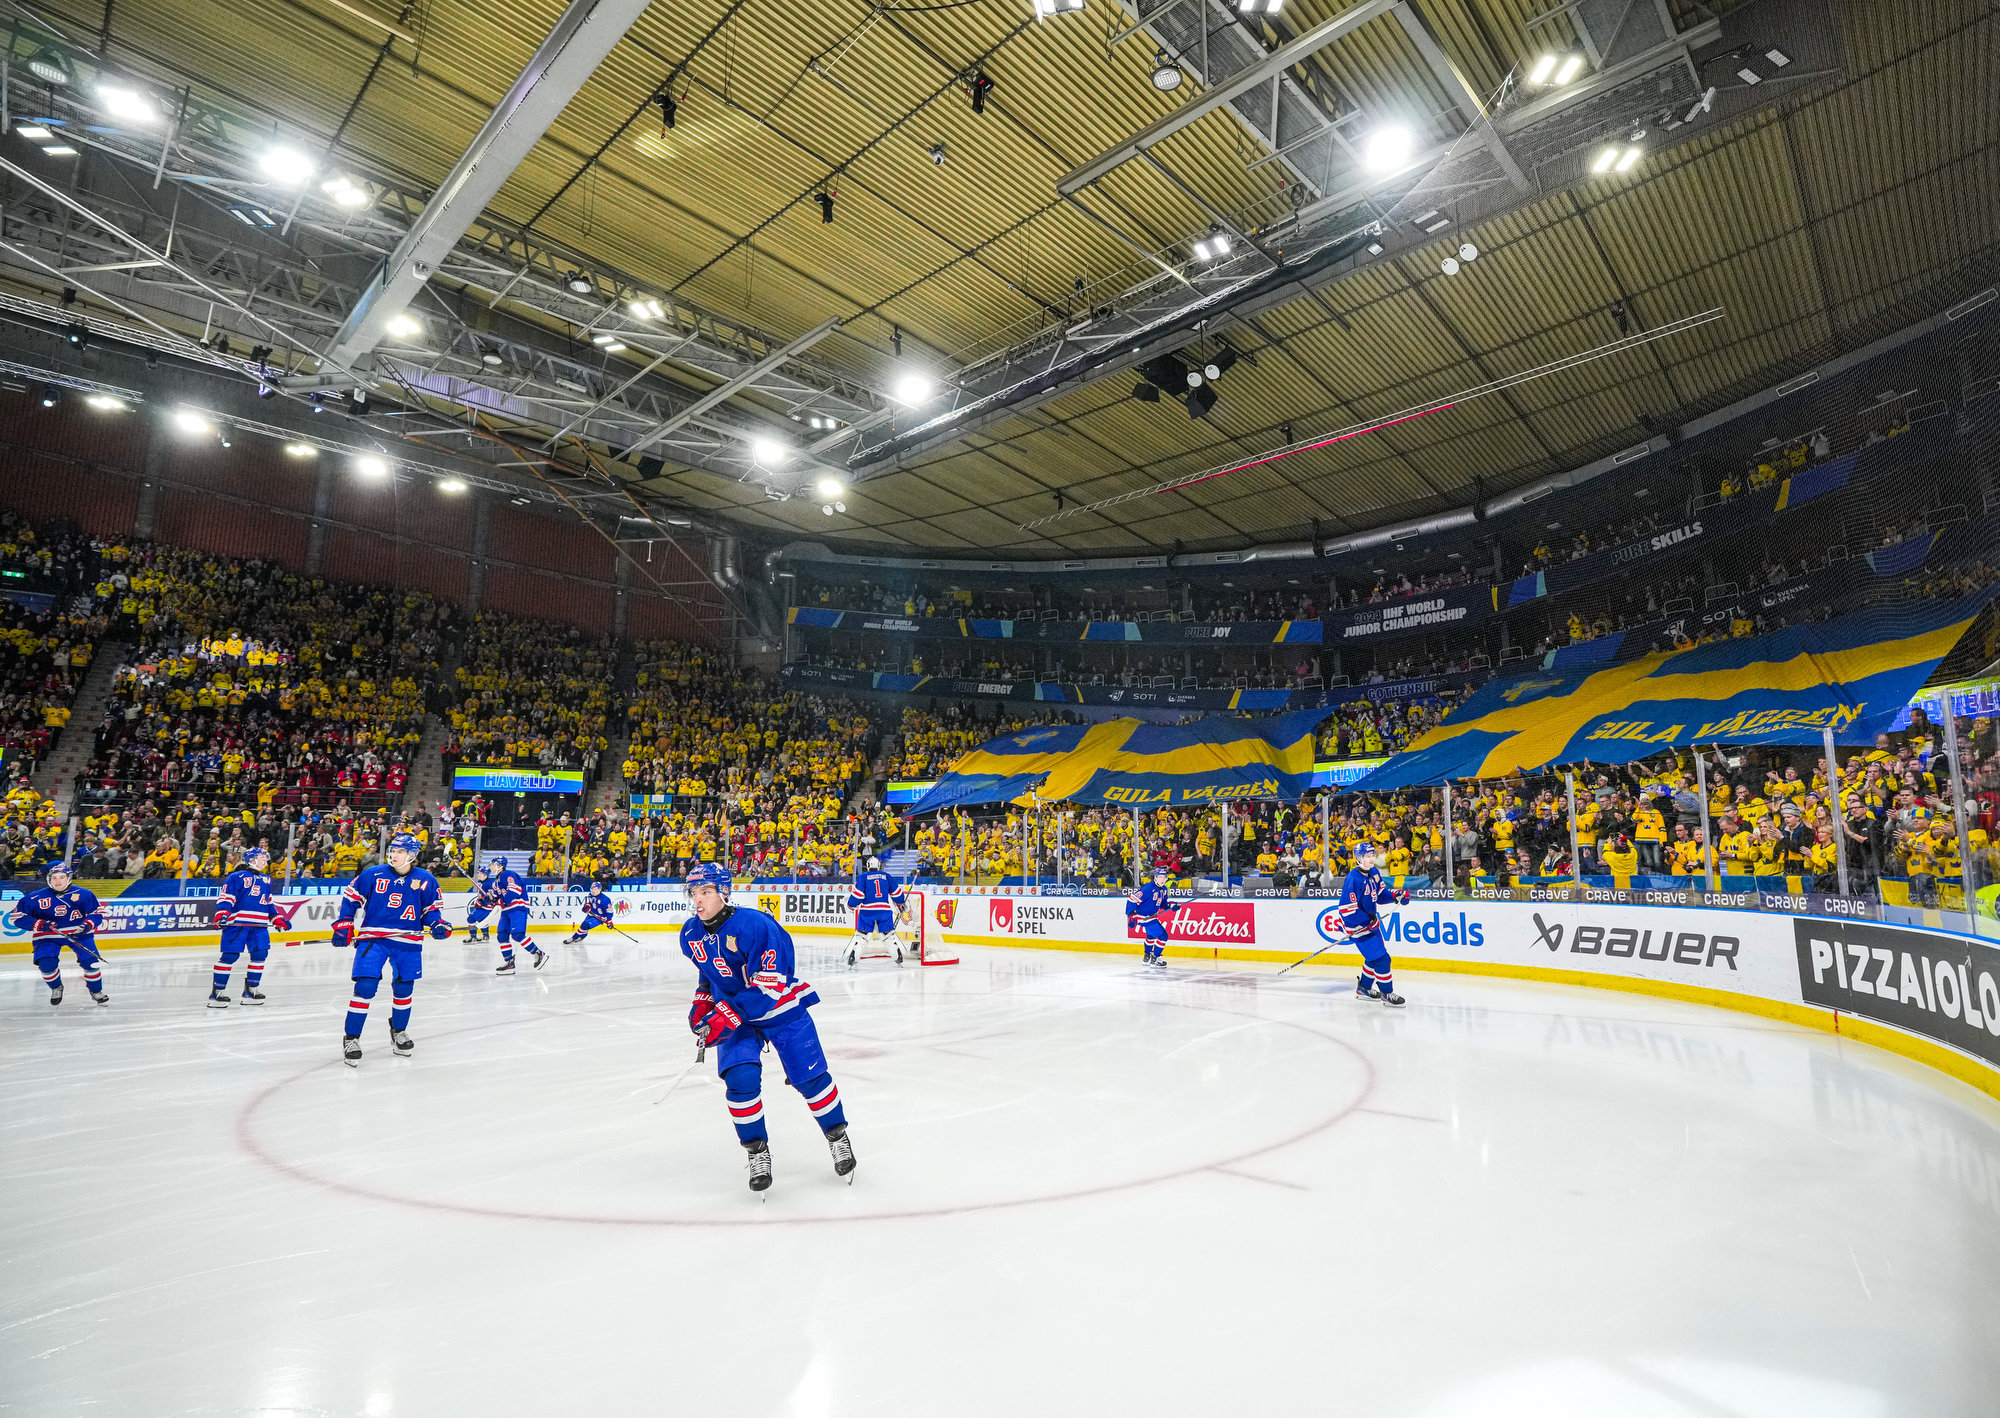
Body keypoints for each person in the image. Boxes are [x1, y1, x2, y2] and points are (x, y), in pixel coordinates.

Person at [679, 863, 855, 1193]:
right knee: (740, 1081)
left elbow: (771, 983)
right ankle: (757, 1152)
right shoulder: (690, 932)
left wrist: (728, 1012)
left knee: (812, 1080)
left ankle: (837, 1136)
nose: (698, 900)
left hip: (779, 1009)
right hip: (736, 1014)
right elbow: (709, 973)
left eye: (706, 892)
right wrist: (703, 1000)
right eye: (694, 893)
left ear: (724, 893)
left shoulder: (757, 925)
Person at [333, 832, 449, 1067]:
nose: (393, 854)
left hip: (407, 942)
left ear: (412, 855)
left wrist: (437, 924)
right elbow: (351, 898)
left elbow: (431, 912)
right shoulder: (373, 874)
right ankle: (352, 1038)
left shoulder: (426, 880)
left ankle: (399, 1031)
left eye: (400, 851)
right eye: (393, 850)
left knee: (404, 988)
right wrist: (344, 923)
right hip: (373, 939)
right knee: (365, 987)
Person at [11, 861, 107, 1006]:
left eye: (62, 877)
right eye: (54, 877)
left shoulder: (84, 894)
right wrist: (40, 924)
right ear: (49, 879)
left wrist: (88, 925)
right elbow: (16, 917)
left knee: (91, 963)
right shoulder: (34, 898)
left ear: (68, 878)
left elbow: (97, 913)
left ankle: (96, 991)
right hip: (47, 936)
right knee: (46, 964)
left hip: (79, 933)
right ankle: (56, 987)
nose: (58, 881)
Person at [1335, 840, 1410, 1006]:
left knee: (1373, 958)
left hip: (1371, 924)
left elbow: (1381, 895)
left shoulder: (1374, 872)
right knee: (1383, 960)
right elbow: (1346, 910)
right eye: (1367, 856)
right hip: (1358, 927)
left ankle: (1364, 988)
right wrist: (1366, 922)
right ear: (1358, 858)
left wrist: (1396, 896)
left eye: (1372, 855)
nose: (1371, 858)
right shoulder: (1353, 879)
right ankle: (1387, 993)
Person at [207, 843, 275, 1008]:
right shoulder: (236, 877)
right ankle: (217, 993)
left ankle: (251, 990)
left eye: (266, 857)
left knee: (260, 955)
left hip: (259, 925)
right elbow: (227, 897)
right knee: (230, 956)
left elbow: (268, 902)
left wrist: (277, 917)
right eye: (262, 857)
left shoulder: (266, 879)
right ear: (251, 859)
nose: (265, 860)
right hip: (237, 924)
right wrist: (222, 913)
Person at [845, 854, 908, 967]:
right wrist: (901, 903)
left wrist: (850, 905)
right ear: (879, 866)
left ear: (868, 866)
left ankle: (854, 956)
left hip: (867, 911)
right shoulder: (887, 876)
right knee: (888, 935)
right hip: (884, 910)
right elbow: (897, 893)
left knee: (862, 935)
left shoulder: (863, 877)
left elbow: (858, 896)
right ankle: (897, 956)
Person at [488, 856, 546, 974]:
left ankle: (538, 953)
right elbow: (497, 899)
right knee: (502, 936)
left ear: (500, 865)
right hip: (506, 911)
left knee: (517, 935)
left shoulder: (507, 874)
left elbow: (515, 890)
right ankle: (509, 962)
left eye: (493, 864)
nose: (491, 866)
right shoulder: (495, 882)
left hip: (517, 908)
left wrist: (502, 901)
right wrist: (491, 899)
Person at [1125, 866, 1179, 969]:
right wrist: (1131, 915)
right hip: (1144, 917)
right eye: (1160, 877)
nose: (1162, 880)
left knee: (1151, 936)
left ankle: (1147, 957)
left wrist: (1172, 905)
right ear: (1155, 877)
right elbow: (1132, 899)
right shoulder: (1148, 888)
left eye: (1164, 877)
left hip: (1152, 917)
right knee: (1163, 936)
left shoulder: (1164, 889)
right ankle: (1155, 958)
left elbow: (1163, 904)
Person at [464, 859, 499, 943]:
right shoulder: (482, 882)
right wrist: (479, 901)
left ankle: (473, 936)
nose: (478, 874)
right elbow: (482, 896)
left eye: (479, 873)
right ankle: (485, 935)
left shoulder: (488, 884)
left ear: (485, 875)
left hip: (487, 908)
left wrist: (485, 900)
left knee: (471, 919)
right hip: (484, 906)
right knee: (482, 920)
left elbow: (491, 897)